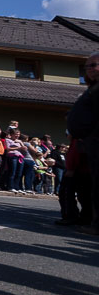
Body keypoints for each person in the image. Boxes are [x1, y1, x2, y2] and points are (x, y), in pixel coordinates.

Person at [68, 52, 99, 235]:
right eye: (87, 67)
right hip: (92, 144)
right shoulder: (93, 88)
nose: (89, 70)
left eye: (94, 65)